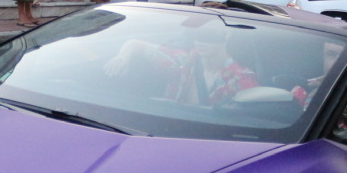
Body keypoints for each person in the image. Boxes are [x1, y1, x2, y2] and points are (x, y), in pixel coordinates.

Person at [102, 27, 260, 106]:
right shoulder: (184, 60)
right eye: (196, 35)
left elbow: (248, 118)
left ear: (227, 36)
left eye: (209, 36)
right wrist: (122, 57)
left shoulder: (241, 78)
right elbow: (136, 44)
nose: (200, 42)